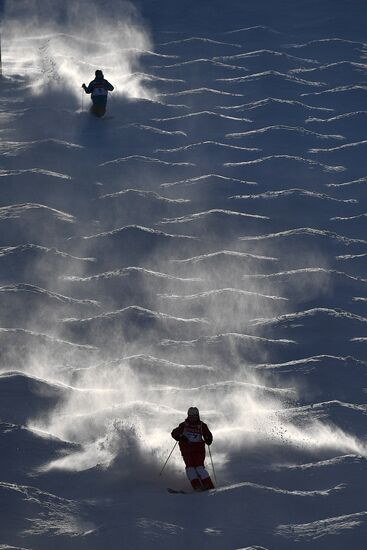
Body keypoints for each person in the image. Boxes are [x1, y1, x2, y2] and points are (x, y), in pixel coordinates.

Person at [171, 406, 215, 491]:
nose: (193, 418)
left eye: (194, 416)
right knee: (190, 468)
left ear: (198, 416)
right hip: (186, 450)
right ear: (188, 416)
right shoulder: (184, 425)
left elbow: (208, 435)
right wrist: (179, 437)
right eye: (191, 416)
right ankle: (197, 487)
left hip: (198, 450)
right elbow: (174, 432)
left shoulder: (202, 425)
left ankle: (209, 486)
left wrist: (208, 439)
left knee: (199, 467)